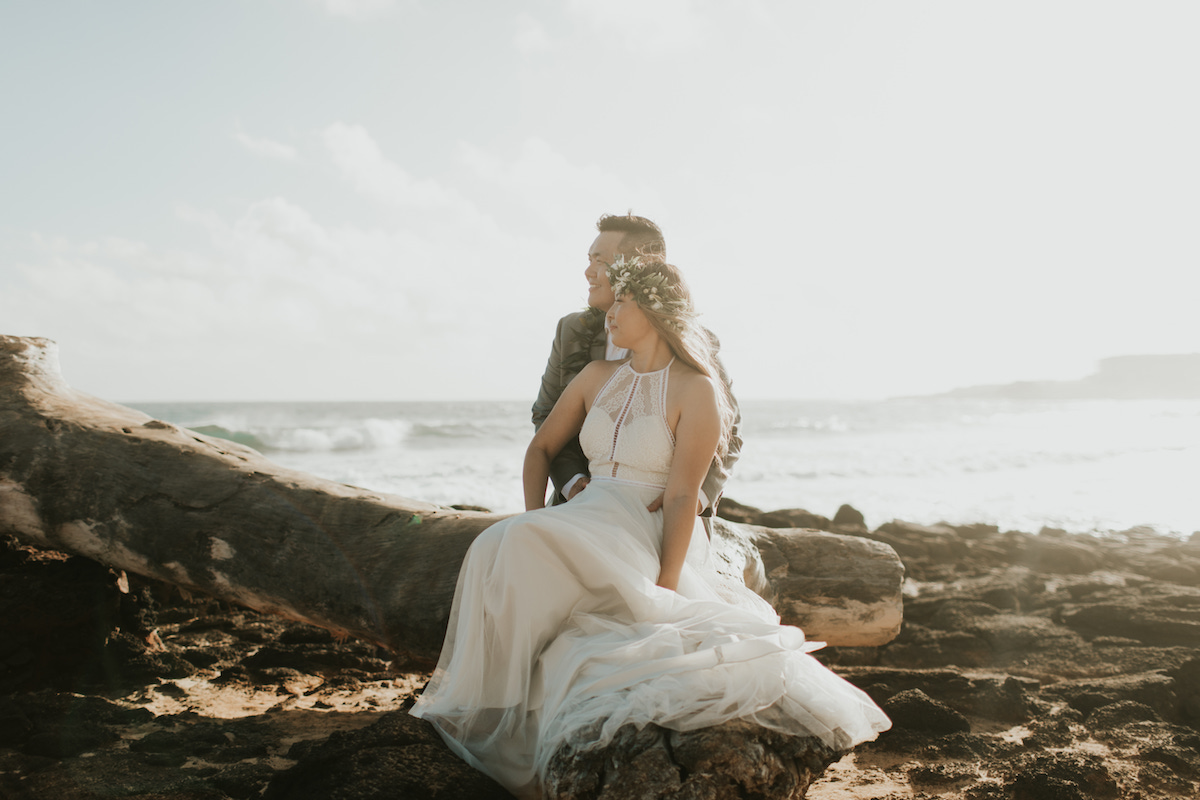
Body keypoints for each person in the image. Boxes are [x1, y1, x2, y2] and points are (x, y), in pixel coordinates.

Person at [411, 256, 890, 798]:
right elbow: (541, 448)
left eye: (623, 301)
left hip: (644, 526)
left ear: (655, 310)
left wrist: (666, 583)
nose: (611, 311)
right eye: (613, 300)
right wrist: (536, 513)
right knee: (501, 541)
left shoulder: (695, 390)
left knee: (519, 546)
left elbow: (685, 493)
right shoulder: (596, 377)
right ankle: (500, 702)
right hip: (585, 515)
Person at [531, 213, 742, 528]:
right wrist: (572, 482)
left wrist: (692, 499)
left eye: (600, 261)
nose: (588, 271)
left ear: (641, 266)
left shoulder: (694, 340)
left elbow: (729, 433)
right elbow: (546, 416)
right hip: (578, 511)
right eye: (588, 259)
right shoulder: (571, 330)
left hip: (659, 519)